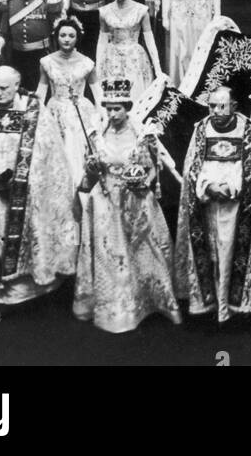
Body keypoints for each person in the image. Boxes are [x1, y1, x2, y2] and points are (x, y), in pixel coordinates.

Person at [0, 65, 78, 325]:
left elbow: (49, 151)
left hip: (27, 190)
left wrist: (24, 179)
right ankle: (2, 297)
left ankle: (35, 289)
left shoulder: (33, 109)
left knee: (30, 234)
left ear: (17, 85)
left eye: (4, 88)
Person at [173, 84, 251, 322]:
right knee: (213, 253)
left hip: (238, 206)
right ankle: (215, 305)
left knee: (231, 250)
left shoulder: (249, 130)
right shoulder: (201, 130)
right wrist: (209, 186)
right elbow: (192, 167)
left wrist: (232, 186)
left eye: (222, 106)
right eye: (212, 106)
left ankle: (236, 306)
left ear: (234, 106)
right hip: (208, 202)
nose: (216, 111)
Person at [72, 76, 181, 334]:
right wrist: (91, 169)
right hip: (105, 203)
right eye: (108, 108)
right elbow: (89, 177)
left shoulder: (144, 134)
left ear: (127, 108)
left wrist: (143, 180)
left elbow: (153, 171)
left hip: (137, 200)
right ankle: (115, 307)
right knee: (110, 255)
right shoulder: (96, 136)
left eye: (117, 108)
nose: (112, 114)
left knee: (144, 252)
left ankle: (151, 301)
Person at [36, 18, 98, 188]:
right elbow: (41, 90)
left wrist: (101, 116)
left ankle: (80, 186)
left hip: (81, 111)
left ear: (77, 38)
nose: (66, 39)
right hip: (55, 110)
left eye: (71, 35)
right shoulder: (46, 62)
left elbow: (97, 93)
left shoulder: (87, 63)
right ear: (57, 37)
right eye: (63, 35)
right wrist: (35, 111)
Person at [96, 0, 161, 104]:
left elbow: (150, 41)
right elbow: (102, 41)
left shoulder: (141, 10)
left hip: (134, 58)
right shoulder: (105, 12)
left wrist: (158, 68)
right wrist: (98, 65)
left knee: (135, 96)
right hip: (112, 58)